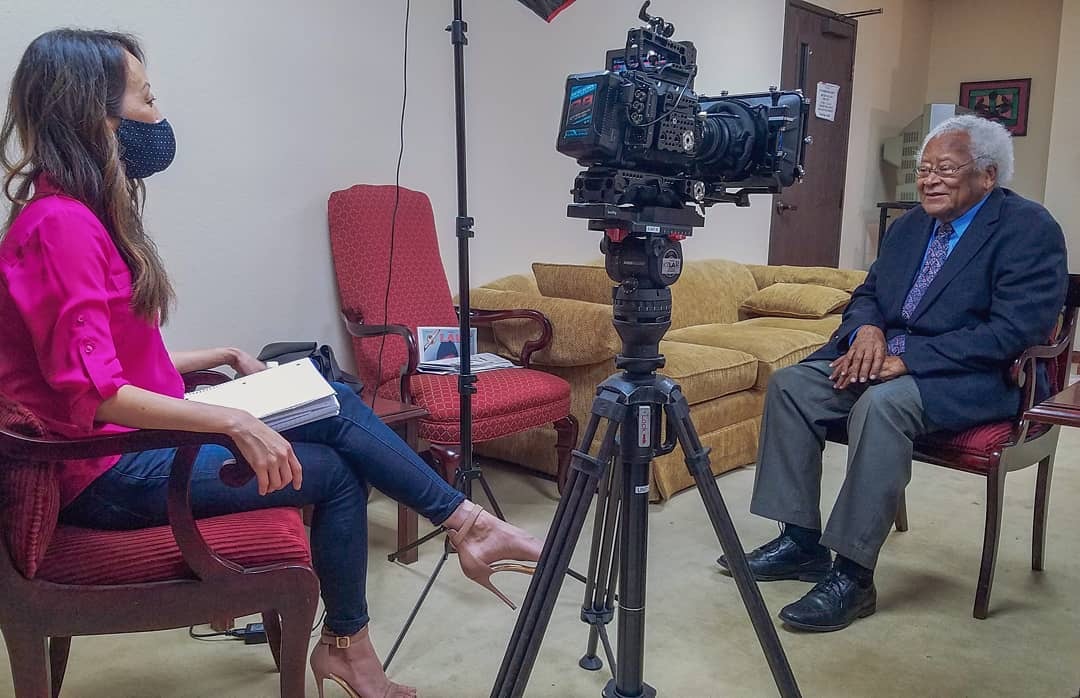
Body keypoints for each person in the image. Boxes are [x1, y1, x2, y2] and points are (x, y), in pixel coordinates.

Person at [0, 29, 543, 697]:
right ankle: (403, 597)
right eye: (146, 99)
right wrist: (231, 420)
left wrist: (225, 355)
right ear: (95, 112)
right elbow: (97, 394)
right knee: (336, 470)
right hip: (104, 474)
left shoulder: (76, 214)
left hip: (130, 444)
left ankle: (454, 541)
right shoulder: (60, 226)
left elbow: (110, 362)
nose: (158, 116)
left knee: (329, 397)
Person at [718, 114, 1068, 632]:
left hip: (975, 376)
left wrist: (908, 360)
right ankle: (800, 541)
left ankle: (853, 574)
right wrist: (867, 331)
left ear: (988, 175)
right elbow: (868, 295)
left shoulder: (1029, 229)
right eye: (924, 169)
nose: (929, 180)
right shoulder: (909, 226)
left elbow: (1014, 331)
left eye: (946, 169)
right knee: (793, 386)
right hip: (884, 358)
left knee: (882, 407)